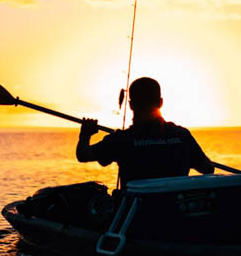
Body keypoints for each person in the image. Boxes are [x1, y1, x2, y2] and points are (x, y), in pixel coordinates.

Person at [76, 76, 215, 184]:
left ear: (131, 105)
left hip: (135, 217)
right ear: (161, 102)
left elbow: (83, 155)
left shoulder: (121, 140)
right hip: (175, 216)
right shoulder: (183, 136)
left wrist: (85, 134)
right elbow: (208, 168)